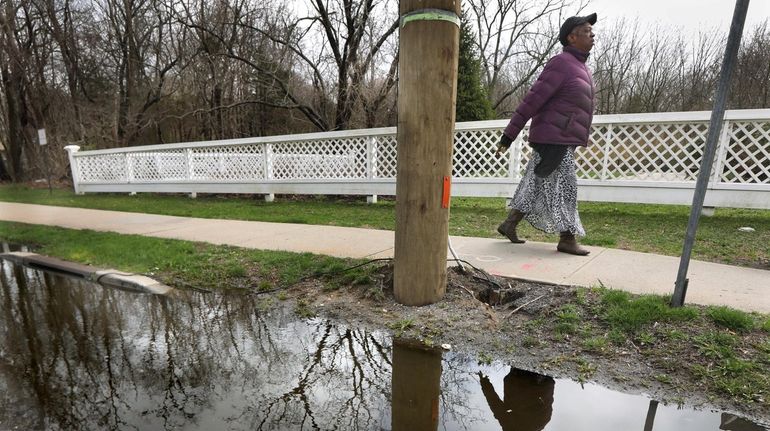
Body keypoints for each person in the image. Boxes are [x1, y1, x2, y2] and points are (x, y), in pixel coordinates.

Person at [496, 13, 597, 256]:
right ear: (571, 37)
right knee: (567, 186)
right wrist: (509, 135)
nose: (592, 35)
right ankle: (567, 238)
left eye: (592, 32)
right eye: (586, 31)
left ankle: (509, 224)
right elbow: (533, 100)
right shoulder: (561, 64)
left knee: (534, 183)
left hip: (560, 138)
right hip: (554, 140)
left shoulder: (580, 67)